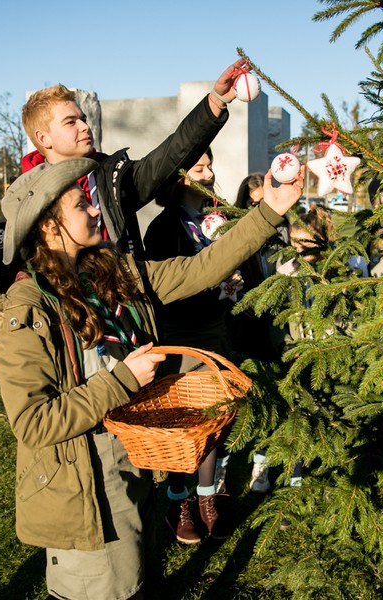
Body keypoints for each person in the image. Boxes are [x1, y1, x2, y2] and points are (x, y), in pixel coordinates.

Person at [0, 157, 303, 599]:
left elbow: (200, 268)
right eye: (80, 204)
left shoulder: (111, 273)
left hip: (134, 471)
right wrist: (123, 378)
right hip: (84, 494)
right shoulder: (29, 310)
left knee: (138, 583)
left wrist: (269, 212)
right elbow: (33, 423)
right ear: (49, 228)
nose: (94, 210)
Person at [0, 59, 247, 293]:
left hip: (126, 308)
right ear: (42, 138)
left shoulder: (114, 177)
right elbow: (5, 270)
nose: (84, 126)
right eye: (71, 122)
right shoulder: (22, 195)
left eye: (83, 118)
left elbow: (170, 155)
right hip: (72, 316)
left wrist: (214, 103)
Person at [142, 149, 243, 544]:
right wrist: (211, 288)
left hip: (215, 329)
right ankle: (178, 502)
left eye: (211, 163)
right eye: (200, 167)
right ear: (180, 176)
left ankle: (207, 500)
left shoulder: (214, 219)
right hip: (181, 335)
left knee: (214, 418)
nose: (211, 172)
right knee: (183, 423)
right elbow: (165, 289)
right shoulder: (165, 227)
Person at [228, 173, 290, 494]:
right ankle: (226, 466)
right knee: (246, 397)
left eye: (265, 204)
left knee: (274, 393)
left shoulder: (284, 233)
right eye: (253, 205)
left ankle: (261, 465)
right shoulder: (236, 236)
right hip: (245, 326)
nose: (261, 213)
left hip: (276, 325)